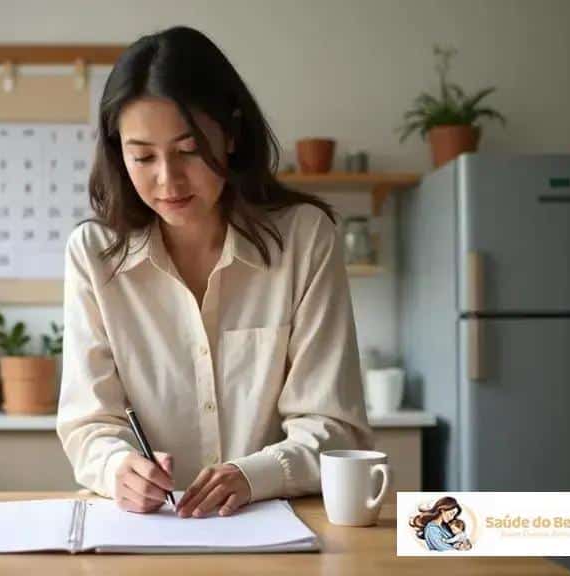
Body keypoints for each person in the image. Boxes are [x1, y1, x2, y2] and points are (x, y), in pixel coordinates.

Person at [56, 25, 372, 519]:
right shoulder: (95, 255)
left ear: (231, 134)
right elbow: (90, 422)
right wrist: (117, 467)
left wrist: (255, 475)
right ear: (118, 153)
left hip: (279, 528)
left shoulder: (304, 238)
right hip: (149, 533)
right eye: (142, 156)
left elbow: (333, 425)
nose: (168, 179)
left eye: (189, 151)